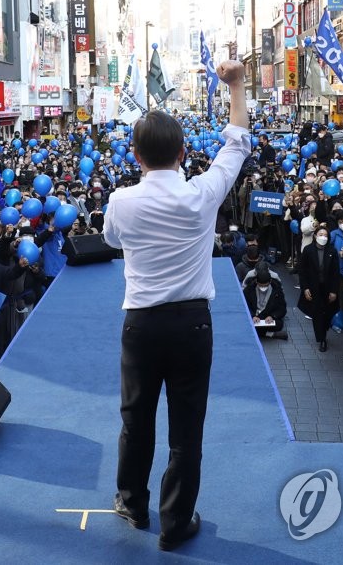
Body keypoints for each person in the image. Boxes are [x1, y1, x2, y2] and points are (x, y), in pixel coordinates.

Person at [103, 59, 248, 551]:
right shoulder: (202, 194)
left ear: (136, 155)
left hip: (141, 326)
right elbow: (236, 145)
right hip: (192, 326)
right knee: (186, 429)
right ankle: (175, 523)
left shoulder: (121, 201)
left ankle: (131, 502)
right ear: (184, 153)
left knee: (135, 419)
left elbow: (109, 238)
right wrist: (237, 85)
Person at [297, 224, 340, 351]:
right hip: (313, 287)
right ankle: (322, 339)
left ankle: (324, 328)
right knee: (317, 313)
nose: (323, 237)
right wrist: (305, 288)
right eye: (321, 235)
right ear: (315, 236)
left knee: (327, 313)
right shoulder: (308, 250)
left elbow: (335, 272)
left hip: (327, 288)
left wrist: (333, 290)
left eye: (326, 235)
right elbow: (302, 270)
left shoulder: (332, 251)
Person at [242, 263, 287, 340]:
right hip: (255, 316)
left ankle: (259, 332)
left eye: (265, 285)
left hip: (268, 317)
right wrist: (252, 316)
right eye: (261, 285)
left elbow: (282, 308)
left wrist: (272, 316)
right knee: (245, 323)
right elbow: (245, 305)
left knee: (278, 324)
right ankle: (270, 334)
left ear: (270, 282)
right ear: (256, 281)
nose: (263, 288)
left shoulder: (277, 290)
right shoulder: (249, 289)